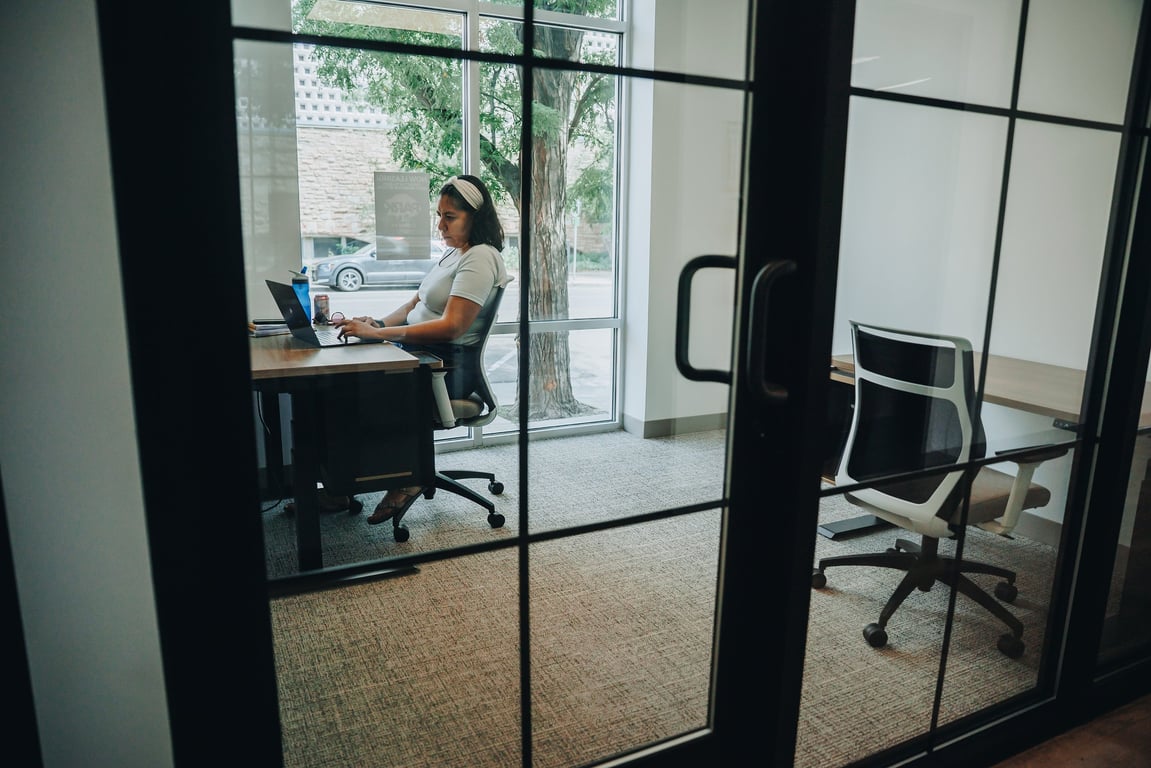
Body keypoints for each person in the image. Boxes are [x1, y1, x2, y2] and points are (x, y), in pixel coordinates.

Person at [332, 173, 509, 525]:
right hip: (419, 357)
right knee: (339, 386)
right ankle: (342, 487)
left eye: (450, 217)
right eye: (439, 215)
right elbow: (413, 305)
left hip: (445, 370)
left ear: (475, 216)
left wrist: (382, 335)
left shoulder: (480, 257)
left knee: (349, 392)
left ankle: (406, 477)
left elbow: (452, 326)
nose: (440, 225)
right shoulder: (452, 256)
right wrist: (377, 325)